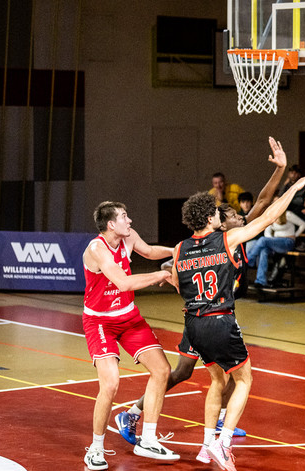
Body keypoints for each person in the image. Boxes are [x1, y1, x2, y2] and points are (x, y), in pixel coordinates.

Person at [117, 137, 291, 443]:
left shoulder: (232, 235)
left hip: (213, 312)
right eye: (235, 216)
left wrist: (279, 171)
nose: (241, 216)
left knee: (226, 373)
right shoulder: (218, 241)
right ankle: (133, 412)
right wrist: (173, 277)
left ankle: (222, 422)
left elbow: (263, 201)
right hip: (207, 314)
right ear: (219, 223)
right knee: (190, 372)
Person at [173, 172, 305, 471]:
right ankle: (223, 443)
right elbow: (268, 217)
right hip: (220, 319)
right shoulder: (226, 239)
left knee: (216, 381)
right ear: (210, 218)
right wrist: (293, 190)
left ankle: (207, 443)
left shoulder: (180, 248)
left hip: (193, 324)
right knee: (244, 380)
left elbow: (175, 283)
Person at [81, 201, 179, 471]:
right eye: (125, 217)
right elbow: (123, 282)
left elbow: (148, 252)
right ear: (111, 224)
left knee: (162, 370)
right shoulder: (98, 249)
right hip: (100, 322)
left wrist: (177, 250)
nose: (130, 220)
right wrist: (160, 274)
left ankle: (147, 439)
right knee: (110, 384)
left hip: (128, 317)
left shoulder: (128, 237)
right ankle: (96, 448)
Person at [251, 200, 305, 288]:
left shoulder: (288, 215)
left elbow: (303, 224)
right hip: (275, 242)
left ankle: (249, 259)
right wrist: (271, 241)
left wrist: (295, 235)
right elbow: (267, 232)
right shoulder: (272, 217)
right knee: (263, 251)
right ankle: (261, 281)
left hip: (288, 242)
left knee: (262, 240)